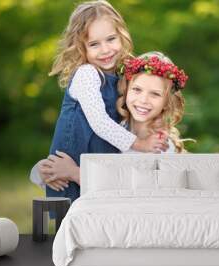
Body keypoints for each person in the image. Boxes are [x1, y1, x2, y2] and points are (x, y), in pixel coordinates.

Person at [31, 1, 168, 207]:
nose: (105, 50)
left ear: (121, 36)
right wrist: (140, 145)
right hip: (72, 167)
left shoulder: (120, 75)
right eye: (94, 44)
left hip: (96, 168)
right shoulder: (88, 74)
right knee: (77, 222)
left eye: (111, 39)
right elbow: (99, 122)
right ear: (81, 47)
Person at [35, 51, 190, 187]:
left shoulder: (160, 145)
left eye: (155, 94)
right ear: (126, 89)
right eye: (137, 89)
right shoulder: (116, 131)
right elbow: (39, 175)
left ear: (166, 102)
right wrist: (43, 171)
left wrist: (75, 173)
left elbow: (128, 188)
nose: (143, 100)